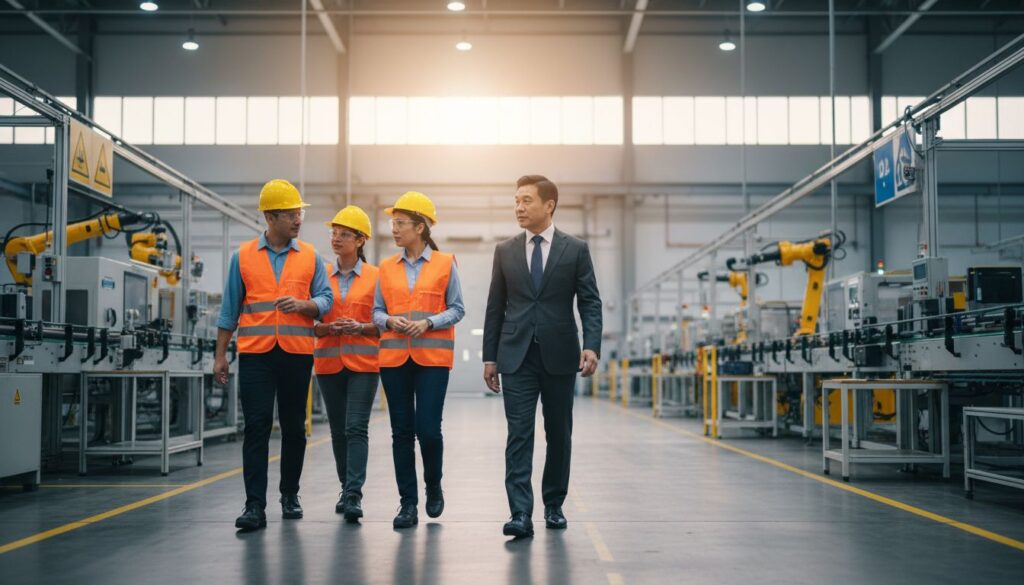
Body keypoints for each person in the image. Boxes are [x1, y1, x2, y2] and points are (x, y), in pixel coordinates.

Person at [482, 175, 603, 539]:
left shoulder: (575, 249)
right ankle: (520, 512)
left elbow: (590, 301)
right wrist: (490, 357)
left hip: (560, 355)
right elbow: (495, 307)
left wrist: (592, 345)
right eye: (516, 200)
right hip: (516, 355)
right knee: (519, 434)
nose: (518, 207)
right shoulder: (505, 250)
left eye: (526, 200)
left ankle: (554, 505)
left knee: (559, 433)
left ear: (548, 205)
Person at [213, 179, 333, 531]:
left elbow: (326, 300)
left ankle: (290, 494)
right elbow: (228, 310)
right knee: (257, 427)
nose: (298, 220)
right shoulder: (244, 257)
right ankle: (254, 505)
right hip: (256, 356)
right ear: (270, 216)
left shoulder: (310, 256)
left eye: (299, 213)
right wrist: (220, 355)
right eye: (291, 214)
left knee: (295, 428)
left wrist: (306, 304)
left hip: (296, 354)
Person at [372, 191, 465, 529]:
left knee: (428, 429)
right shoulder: (386, 267)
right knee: (401, 432)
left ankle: (433, 486)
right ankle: (407, 503)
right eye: (393, 223)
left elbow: (458, 308)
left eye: (400, 224)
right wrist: (389, 321)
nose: (394, 230)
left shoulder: (445, 263)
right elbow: (376, 311)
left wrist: (428, 322)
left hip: (432, 358)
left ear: (421, 227)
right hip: (395, 357)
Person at [314, 205, 380, 523]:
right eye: (334, 233)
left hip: (364, 363)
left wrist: (361, 327)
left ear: (361, 240)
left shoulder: (376, 277)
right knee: (338, 431)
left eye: (344, 234)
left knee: (356, 428)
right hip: (328, 362)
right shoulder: (320, 276)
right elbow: (308, 322)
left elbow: (384, 323)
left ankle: (354, 494)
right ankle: (345, 488)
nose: (336, 238)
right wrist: (328, 328)